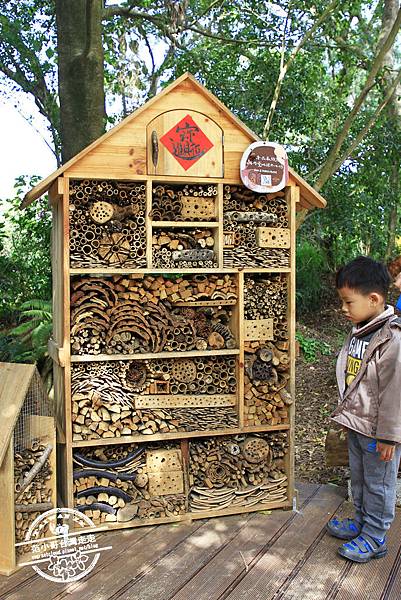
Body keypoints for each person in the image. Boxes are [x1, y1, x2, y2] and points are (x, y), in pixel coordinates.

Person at [326, 256, 401, 563]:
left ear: (373, 299)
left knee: (378, 483)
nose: (343, 309)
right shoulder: (360, 329)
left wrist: (389, 436)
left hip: (378, 432)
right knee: (358, 478)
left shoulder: (392, 339)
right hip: (357, 423)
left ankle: (375, 536)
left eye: (348, 302)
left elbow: (395, 393)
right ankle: (361, 522)